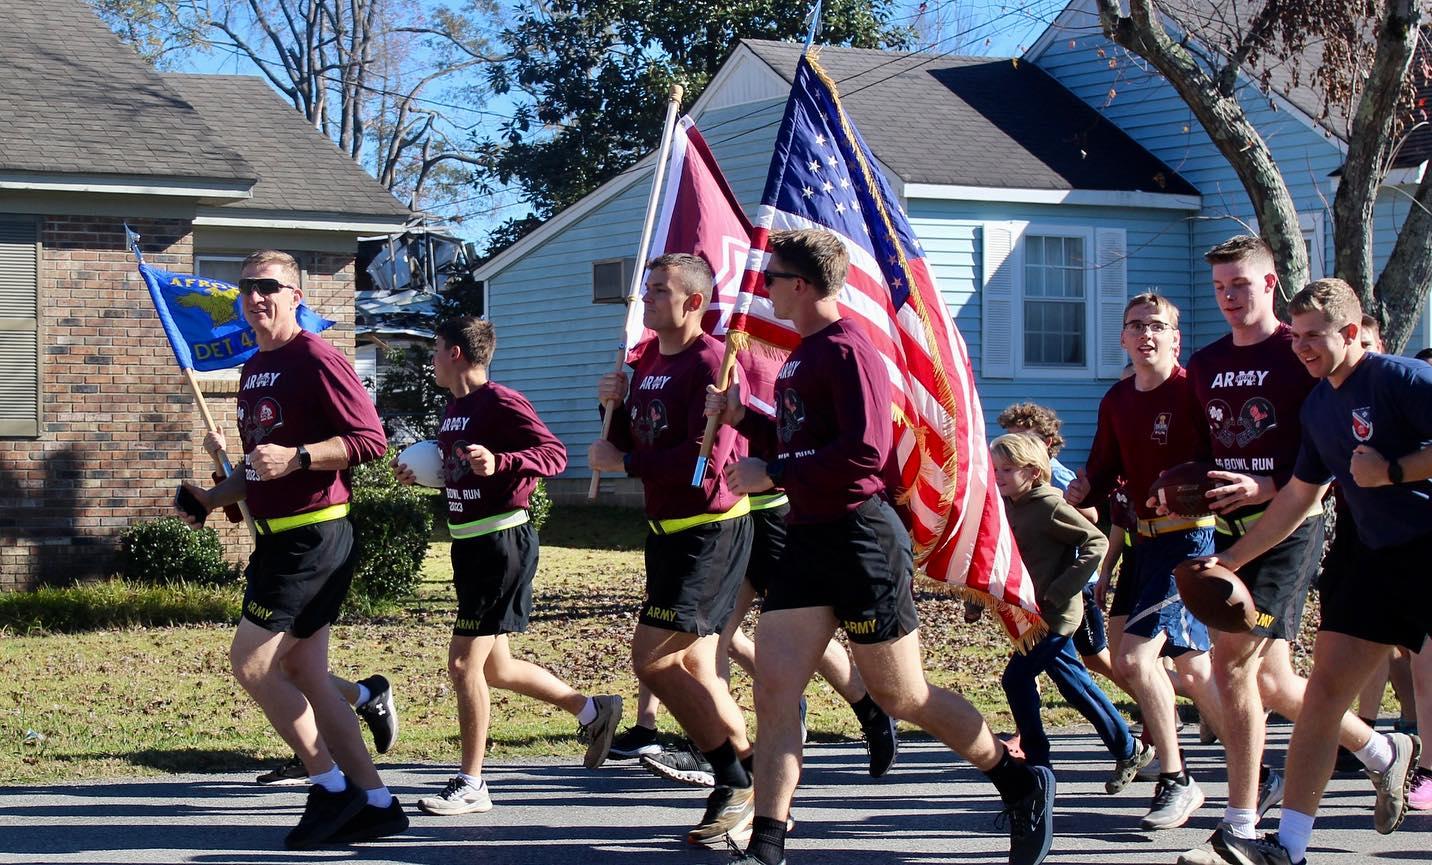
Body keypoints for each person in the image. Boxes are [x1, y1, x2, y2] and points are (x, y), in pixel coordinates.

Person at [707, 229, 1055, 865]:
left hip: (862, 539)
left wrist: (775, 473)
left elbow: (865, 453)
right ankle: (768, 841)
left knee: (903, 696)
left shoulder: (849, 351)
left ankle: (1015, 776)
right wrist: (745, 419)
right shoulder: (801, 354)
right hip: (807, 539)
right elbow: (806, 437)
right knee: (775, 690)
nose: (765, 289)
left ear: (803, 285)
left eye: (773, 277)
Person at [176, 249, 404, 848]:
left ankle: (329, 786)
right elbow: (257, 471)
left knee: (253, 665)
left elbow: (371, 440)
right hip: (278, 538)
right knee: (304, 670)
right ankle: (377, 802)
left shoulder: (317, 358)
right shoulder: (254, 369)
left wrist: (300, 456)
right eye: (247, 287)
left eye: (269, 286)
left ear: (295, 294)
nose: (256, 297)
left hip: (314, 534)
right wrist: (208, 498)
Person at [1197, 278, 1427, 865]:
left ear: (1351, 334)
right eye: (1296, 336)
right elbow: (1299, 495)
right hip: (1372, 559)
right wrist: (1230, 560)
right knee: (1323, 695)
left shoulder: (1401, 379)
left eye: (1313, 337)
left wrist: (1395, 471)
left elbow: (1387, 471)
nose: (1300, 348)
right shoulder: (1320, 404)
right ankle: (1289, 849)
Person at [639, 343, 898, 785]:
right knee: (716, 637)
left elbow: (783, 427)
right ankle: (728, 750)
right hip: (731, 514)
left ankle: (868, 709)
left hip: (773, 508)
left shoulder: (754, 347)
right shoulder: (710, 351)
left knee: (800, 623)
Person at [393, 317, 622, 816]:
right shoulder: (453, 408)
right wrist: (424, 474)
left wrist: (502, 462)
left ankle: (472, 783)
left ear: (455, 353)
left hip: (501, 546)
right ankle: (592, 709)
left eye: (435, 350)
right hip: (468, 545)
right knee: (496, 667)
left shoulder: (502, 401)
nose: (431, 359)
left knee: (462, 664)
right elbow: (455, 466)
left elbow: (554, 455)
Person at [588, 253, 756, 848]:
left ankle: (731, 779)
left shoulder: (715, 364)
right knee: (692, 667)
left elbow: (704, 464)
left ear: (694, 302)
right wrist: (611, 406)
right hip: (664, 533)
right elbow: (629, 438)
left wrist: (627, 461)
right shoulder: (646, 361)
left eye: (659, 290)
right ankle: (753, 769)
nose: (647, 299)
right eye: (647, 289)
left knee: (653, 659)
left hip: (708, 532)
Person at [1065, 292, 1224, 831]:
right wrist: (1082, 489)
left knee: (1135, 659)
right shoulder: (1116, 400)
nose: (1145, 334)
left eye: (1157, 326)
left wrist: (1189, 487)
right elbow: (1103, 472)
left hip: (1189, 542)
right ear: (1123, 339)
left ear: (1175, 338)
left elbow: (1222, 463)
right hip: (1140, 544)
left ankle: (1176, 780)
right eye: (1135, 326)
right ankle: (1263, 767)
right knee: (1195, 671)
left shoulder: (1193, 391)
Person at [989, 433, 1145, 788]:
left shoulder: (1048, 504)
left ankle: (1039, 760)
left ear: (1031, 471)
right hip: (1029, 613)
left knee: (1015, 678)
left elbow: (1096, 541)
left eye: (1007, 469)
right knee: (1075, 685)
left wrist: (1060, 591)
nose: (998, 475)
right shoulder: (1008, 504)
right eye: (996, 468)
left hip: (1056, 615)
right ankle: (1127, 747)